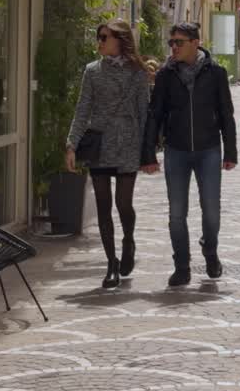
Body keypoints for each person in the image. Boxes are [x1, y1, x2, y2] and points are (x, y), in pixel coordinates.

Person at [142, 22, 238, 287]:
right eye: (171, 42)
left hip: (209, 150)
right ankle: (182, 265)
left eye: (179, 42)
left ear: (196, 43)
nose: (174, 47)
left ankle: (210, 250)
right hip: (176, 150)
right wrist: (148, 154)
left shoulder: (216, 73)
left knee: (211, 211)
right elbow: (155, 115)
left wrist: (230, 151)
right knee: (176, 213)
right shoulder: (165, 75)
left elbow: (226, 113)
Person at [66, 19, 153, 290]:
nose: (100, 42)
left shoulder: (138, 73)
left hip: (128, 143)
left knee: (123, 203)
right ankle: (111, 263)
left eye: (105, 37)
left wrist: (147, 152)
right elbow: (82, 110)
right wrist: (71, 145)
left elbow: (144, 113)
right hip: (100, 143)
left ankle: (128, 240)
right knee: (103, 205)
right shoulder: (92, 71)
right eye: (99, 37)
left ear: (120, 40)